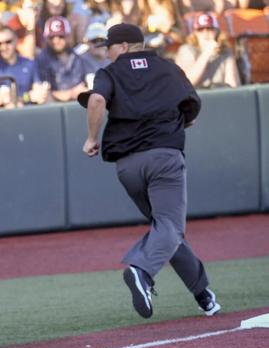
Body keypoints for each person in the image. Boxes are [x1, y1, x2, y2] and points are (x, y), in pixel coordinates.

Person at [78, 23, 221, 319]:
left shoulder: (110, 73)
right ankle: (141, 269)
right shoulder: (168, 68)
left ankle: (202, 293)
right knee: (169, 226)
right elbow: (192, 107)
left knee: (164, 228)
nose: (108, 51)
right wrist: (180, 120)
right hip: (164, 159)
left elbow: (96, 99)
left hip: (128, 167)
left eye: (111, 46)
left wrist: (92, 138)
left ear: (126, 46)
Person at [174, 12, 240, 89]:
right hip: (194, 98)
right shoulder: (186, 50)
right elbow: (187, 82)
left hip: (219, 95)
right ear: (195, 33)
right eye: (200, 30)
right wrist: (206, 53)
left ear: (217, 32)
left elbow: (232, 85)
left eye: (209, 29)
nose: (205, 33)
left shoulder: (225, 52)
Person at [0, 26, 47, 105]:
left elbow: (38, 91)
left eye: (8, 42)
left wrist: (40, 93)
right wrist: (29, 97)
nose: (4, 47)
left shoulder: (29, 63)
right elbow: (5, 99)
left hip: (32, 111)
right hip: (8, 113)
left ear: (16, 40)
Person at [34, 16, 89, 102]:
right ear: (45, 38)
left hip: (76, 105)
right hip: (51, 109)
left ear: (68, 36)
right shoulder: (41, 60)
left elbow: (81, 87)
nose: (56, 40)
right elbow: (43, 93)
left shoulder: (77, 57)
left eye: (61, 36)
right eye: (51, 37)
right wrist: (70, 93)